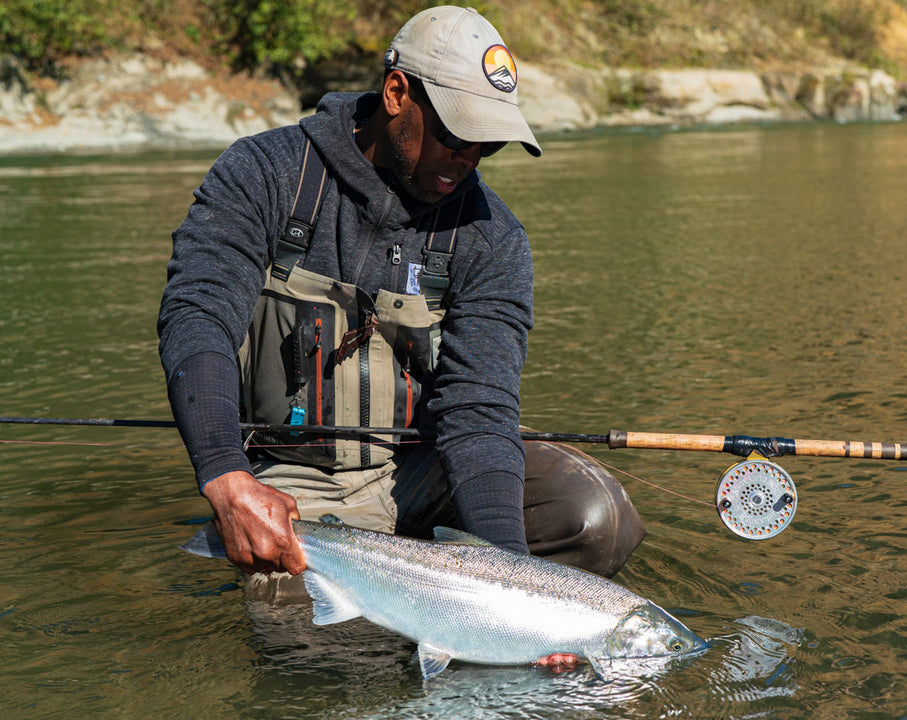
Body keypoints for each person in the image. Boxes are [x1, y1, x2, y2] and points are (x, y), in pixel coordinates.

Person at [159, 6, 643, 596]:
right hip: (292, 482)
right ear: (396, 93)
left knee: (595, 518)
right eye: (459, 134)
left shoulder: (492, 238)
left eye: (488, 144)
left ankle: (449, 596)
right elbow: (197, 319)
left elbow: (479, 410)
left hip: (421, 470)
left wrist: (513, 584)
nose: (469, 158)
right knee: (318, 652)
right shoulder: (264, 174)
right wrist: (224, 474)